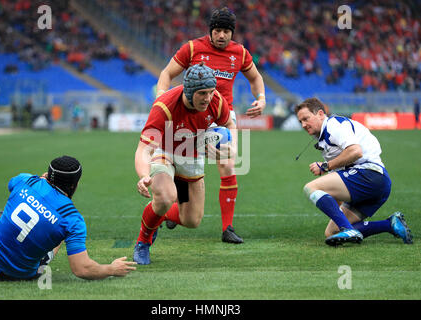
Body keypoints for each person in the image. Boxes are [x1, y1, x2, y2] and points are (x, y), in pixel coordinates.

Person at [156, 7, 266, 244]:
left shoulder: (241, 53)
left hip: (221, 116)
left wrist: (262, 98)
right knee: (183, 164)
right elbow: (167, 73)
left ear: (232, 32)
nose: (222, 36)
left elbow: (255, 78)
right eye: (218, 30)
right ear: (211, 31)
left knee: (228, 163)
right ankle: (172, 209)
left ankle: (228, 228)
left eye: (226, 31)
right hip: (191, 115)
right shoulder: (193, 48)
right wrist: (161, 97)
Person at [133, 62, 236, 264]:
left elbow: (230, 124)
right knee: (166, 196)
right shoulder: (164, 106)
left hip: (193, 156)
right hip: (165, 153)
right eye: (202, 93)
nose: (208, 98)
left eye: (211, 92)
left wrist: (230, 150)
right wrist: (144, 175)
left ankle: (159, 215)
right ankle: (143, 241)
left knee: (192, 220)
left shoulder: (216, 101)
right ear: (189, 91)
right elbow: (143, 149)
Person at [0, 155, 136, 280]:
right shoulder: (73, 219)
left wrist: (40, 181)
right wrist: (112, 269)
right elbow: (82, 269)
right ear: (74, 185)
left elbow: (11, 183)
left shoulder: (27, 181)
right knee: (58, 235)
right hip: (21, 275)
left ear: (48, 175)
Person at [295, 98, 413, 246]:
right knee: (332, 232)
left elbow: (356, 151)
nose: (304, 125)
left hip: (370, 174)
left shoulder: (333, 125)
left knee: (310, 187)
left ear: (320, 114)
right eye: (300, 122)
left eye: (306, 119)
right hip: (374, 183)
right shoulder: (324, 138)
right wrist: (337, 211)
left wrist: (325, 166)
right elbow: (337, 180)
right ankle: (391, 224)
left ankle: (347, 229)